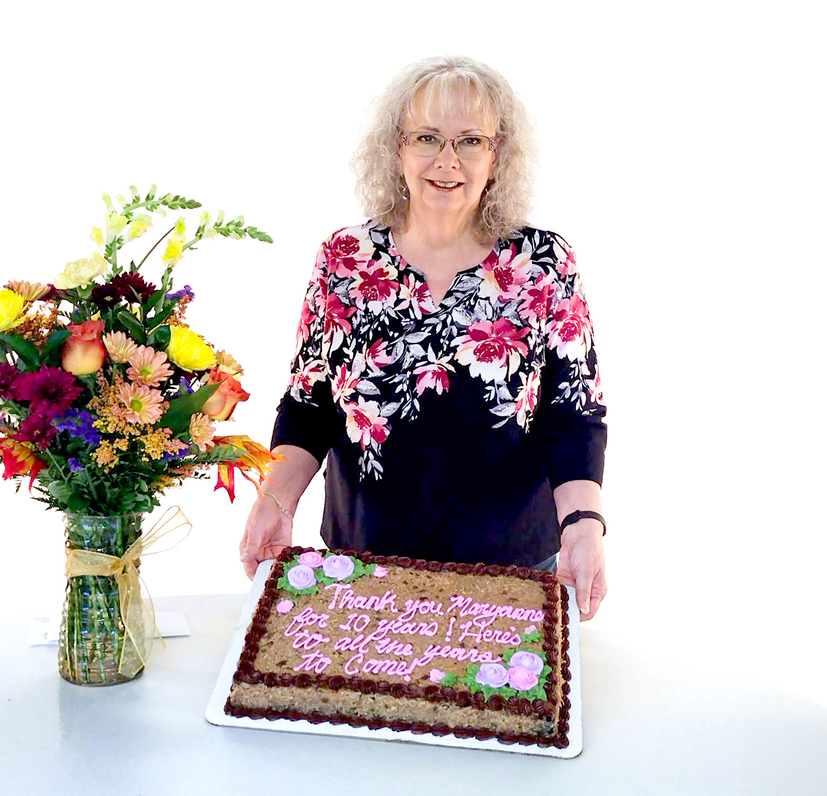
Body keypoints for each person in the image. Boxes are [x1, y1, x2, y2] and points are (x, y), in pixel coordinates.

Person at [239, 55, 608, 620]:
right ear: (397, 148)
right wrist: (274, 500)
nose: (447, 160)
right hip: (361, 567)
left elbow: (573, 415)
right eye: (428, 137)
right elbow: (309, 403)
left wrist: (584, 526)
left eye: (470, 141)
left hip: (511, 574)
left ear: (498, 155)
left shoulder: (543, 263)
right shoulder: (346, 258)